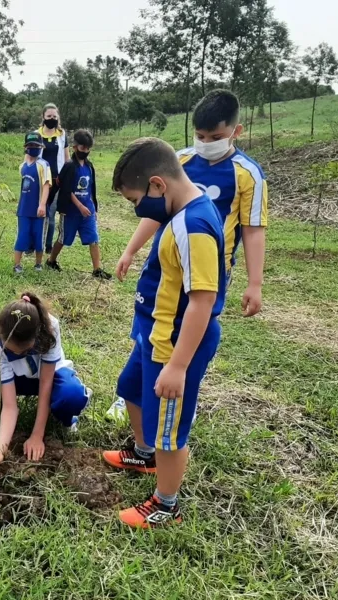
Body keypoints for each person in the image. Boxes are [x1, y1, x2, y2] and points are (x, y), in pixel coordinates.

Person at [106, 89, 267, 420]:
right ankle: (142, 388)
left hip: (208, 269)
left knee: (187, 327)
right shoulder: (178, 162)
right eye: (200, 135)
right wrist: (131, 249)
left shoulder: (247, 174)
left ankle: (178, 393)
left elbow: (252, 230)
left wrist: (255, 283)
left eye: (216, 136)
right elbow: (154, 211)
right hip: (168, 263)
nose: (206, 142)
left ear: (237, 131)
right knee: (152, 323)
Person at [102, 138, 226, 528]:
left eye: (135, 200)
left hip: (175, 346)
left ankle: (166, 504)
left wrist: (177, 365)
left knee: (169, 428)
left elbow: (202, 302)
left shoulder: (194, 225)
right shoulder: (178, 214)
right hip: (154, 334)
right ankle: (144, 454)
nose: (138, 209)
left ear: (158, 185)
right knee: (131, 388)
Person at [0, 292, 92, 472]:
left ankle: (66, 419)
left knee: (71, 396)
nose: (15, 355)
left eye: (22, 352)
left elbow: (46, 384)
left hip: (49, 378)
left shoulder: (49, 327)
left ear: (36, 338)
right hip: (19, 380)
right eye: (11, 351)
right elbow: (10, 406)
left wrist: (37, 435)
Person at [46, 129, 112, 280]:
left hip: (87, 211)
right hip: (70, 212)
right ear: (75, 147)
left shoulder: (89, 167)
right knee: (63, 239)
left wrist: (93, 207)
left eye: (88, 148)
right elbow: (66, 189)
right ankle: (51, 260)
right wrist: (79, 206)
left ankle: (97, 269)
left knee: (93, 238)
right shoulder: (69, 166)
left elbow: (91, 189)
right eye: (83, 148)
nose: (86, 151)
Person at [13, 131, 51, 273]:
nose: (33, 147)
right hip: (23, 209)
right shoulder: (22, 166)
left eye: (36, 145)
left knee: (38, 237)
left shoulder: (43, 165)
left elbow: (46, 185)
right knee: (22, 235)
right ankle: (17, 265)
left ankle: (38, 264)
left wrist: (42, 205)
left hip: (38, 210)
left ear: (41, 147)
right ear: (25, 147)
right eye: (30, 145)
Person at [36, 104, 70, 254]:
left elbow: (67, 158)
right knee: (38, 212)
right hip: (40, 179)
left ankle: (47, 245)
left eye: (54, 117)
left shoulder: (62, 135)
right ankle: (35, 243)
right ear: (43, 117)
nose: (52, 119)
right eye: (49, 116)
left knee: (50, 215)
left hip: (57, 181)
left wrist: (68, 177)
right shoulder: (36, 135)